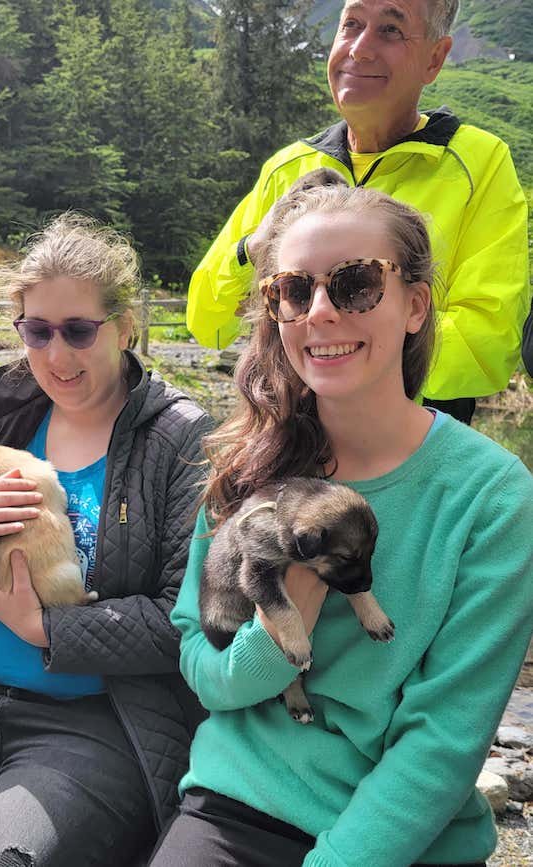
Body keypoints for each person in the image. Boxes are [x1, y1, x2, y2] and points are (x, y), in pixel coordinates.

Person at [148, 184, 533, 867]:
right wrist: (276, 643)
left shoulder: (495, 498)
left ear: (416, 305)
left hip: (403, 841)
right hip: (237, 808)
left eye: (355, 284)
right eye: (294, 291)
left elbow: (441, 742)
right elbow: (200, 664)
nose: (320, 311)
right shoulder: (245, 463)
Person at [0, 214, 211, 867]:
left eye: (79, 330)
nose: (56, 356)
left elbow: (189, 624)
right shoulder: (4, 414)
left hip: (95, 724)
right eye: (37, 331)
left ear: (124, 326)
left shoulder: (180, 438)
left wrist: (47, 629)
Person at [187, 0, 530, 424]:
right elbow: (207, 322)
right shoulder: (287, 167)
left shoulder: (479, 163)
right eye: (350, 25)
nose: (360, 49)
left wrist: (335, 361)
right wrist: (256, 246)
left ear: (435, 59)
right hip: (289, 453)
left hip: (414, 459)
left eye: (390, 30)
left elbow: (487, 346)